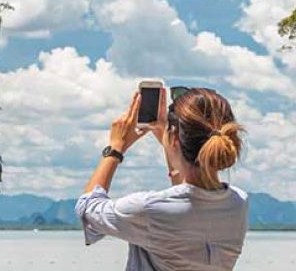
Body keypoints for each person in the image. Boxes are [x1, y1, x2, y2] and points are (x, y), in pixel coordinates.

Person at [74, 86, 248, 271]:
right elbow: (188, 196)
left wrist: (116, 148)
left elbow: (87, 210)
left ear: (174, 139)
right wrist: (169, 139)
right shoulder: (238, 203)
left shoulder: (149, 209)